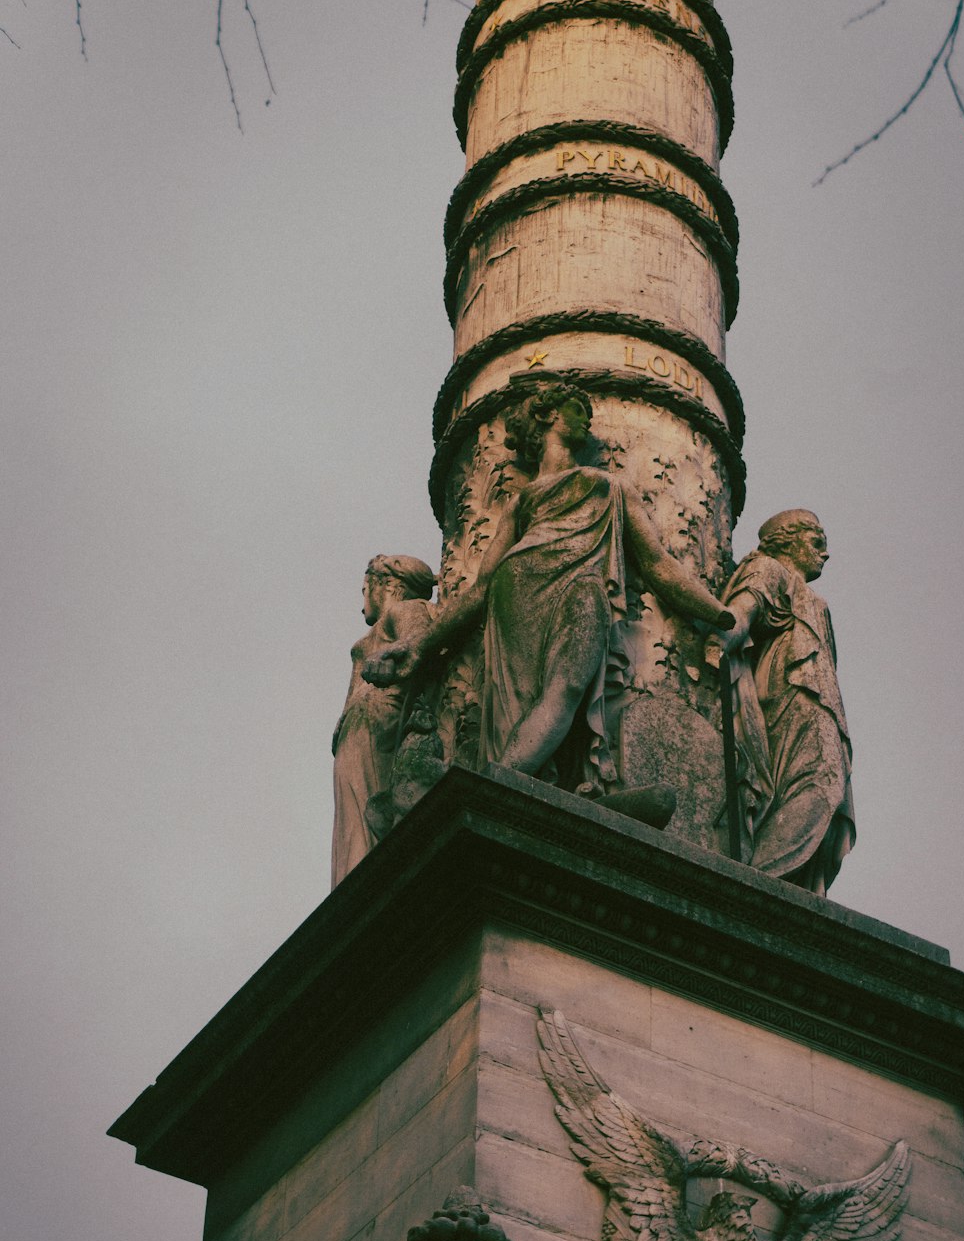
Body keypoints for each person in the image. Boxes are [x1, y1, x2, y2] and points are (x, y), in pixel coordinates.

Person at [364, 382, 733, 792]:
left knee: (569, 685)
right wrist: (421, 645)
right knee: (522, 701)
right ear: (547, 415)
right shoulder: (524, 501)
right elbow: (481, 587)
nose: (588, 418)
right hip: (516, 591)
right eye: (577, 408)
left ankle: (500, 782)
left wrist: (719, 613)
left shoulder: (607, 485)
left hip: (579, 587)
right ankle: (505, 785)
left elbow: (658, 565)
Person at [709, 509, 854, 894]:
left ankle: (784, 884)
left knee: (832, 803)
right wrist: (720, 642)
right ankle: (760, 880)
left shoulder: (816, 601)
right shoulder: (769, 570)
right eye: (817, 542)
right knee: (821, 784)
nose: (825, 554)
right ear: (787, 539)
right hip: (793, 692)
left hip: (820, 699)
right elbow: (740, 613)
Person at [331, 554, 435, 886]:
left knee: (364, 810)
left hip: (380, 722)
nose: (363, 605)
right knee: (351, 816)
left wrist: (389, 655)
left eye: (365, 590)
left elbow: (418, 637)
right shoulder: (380, 626)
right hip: (361, 728)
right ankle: (353, 882)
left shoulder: (405, 610)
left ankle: (365, 884)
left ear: (386, 584)